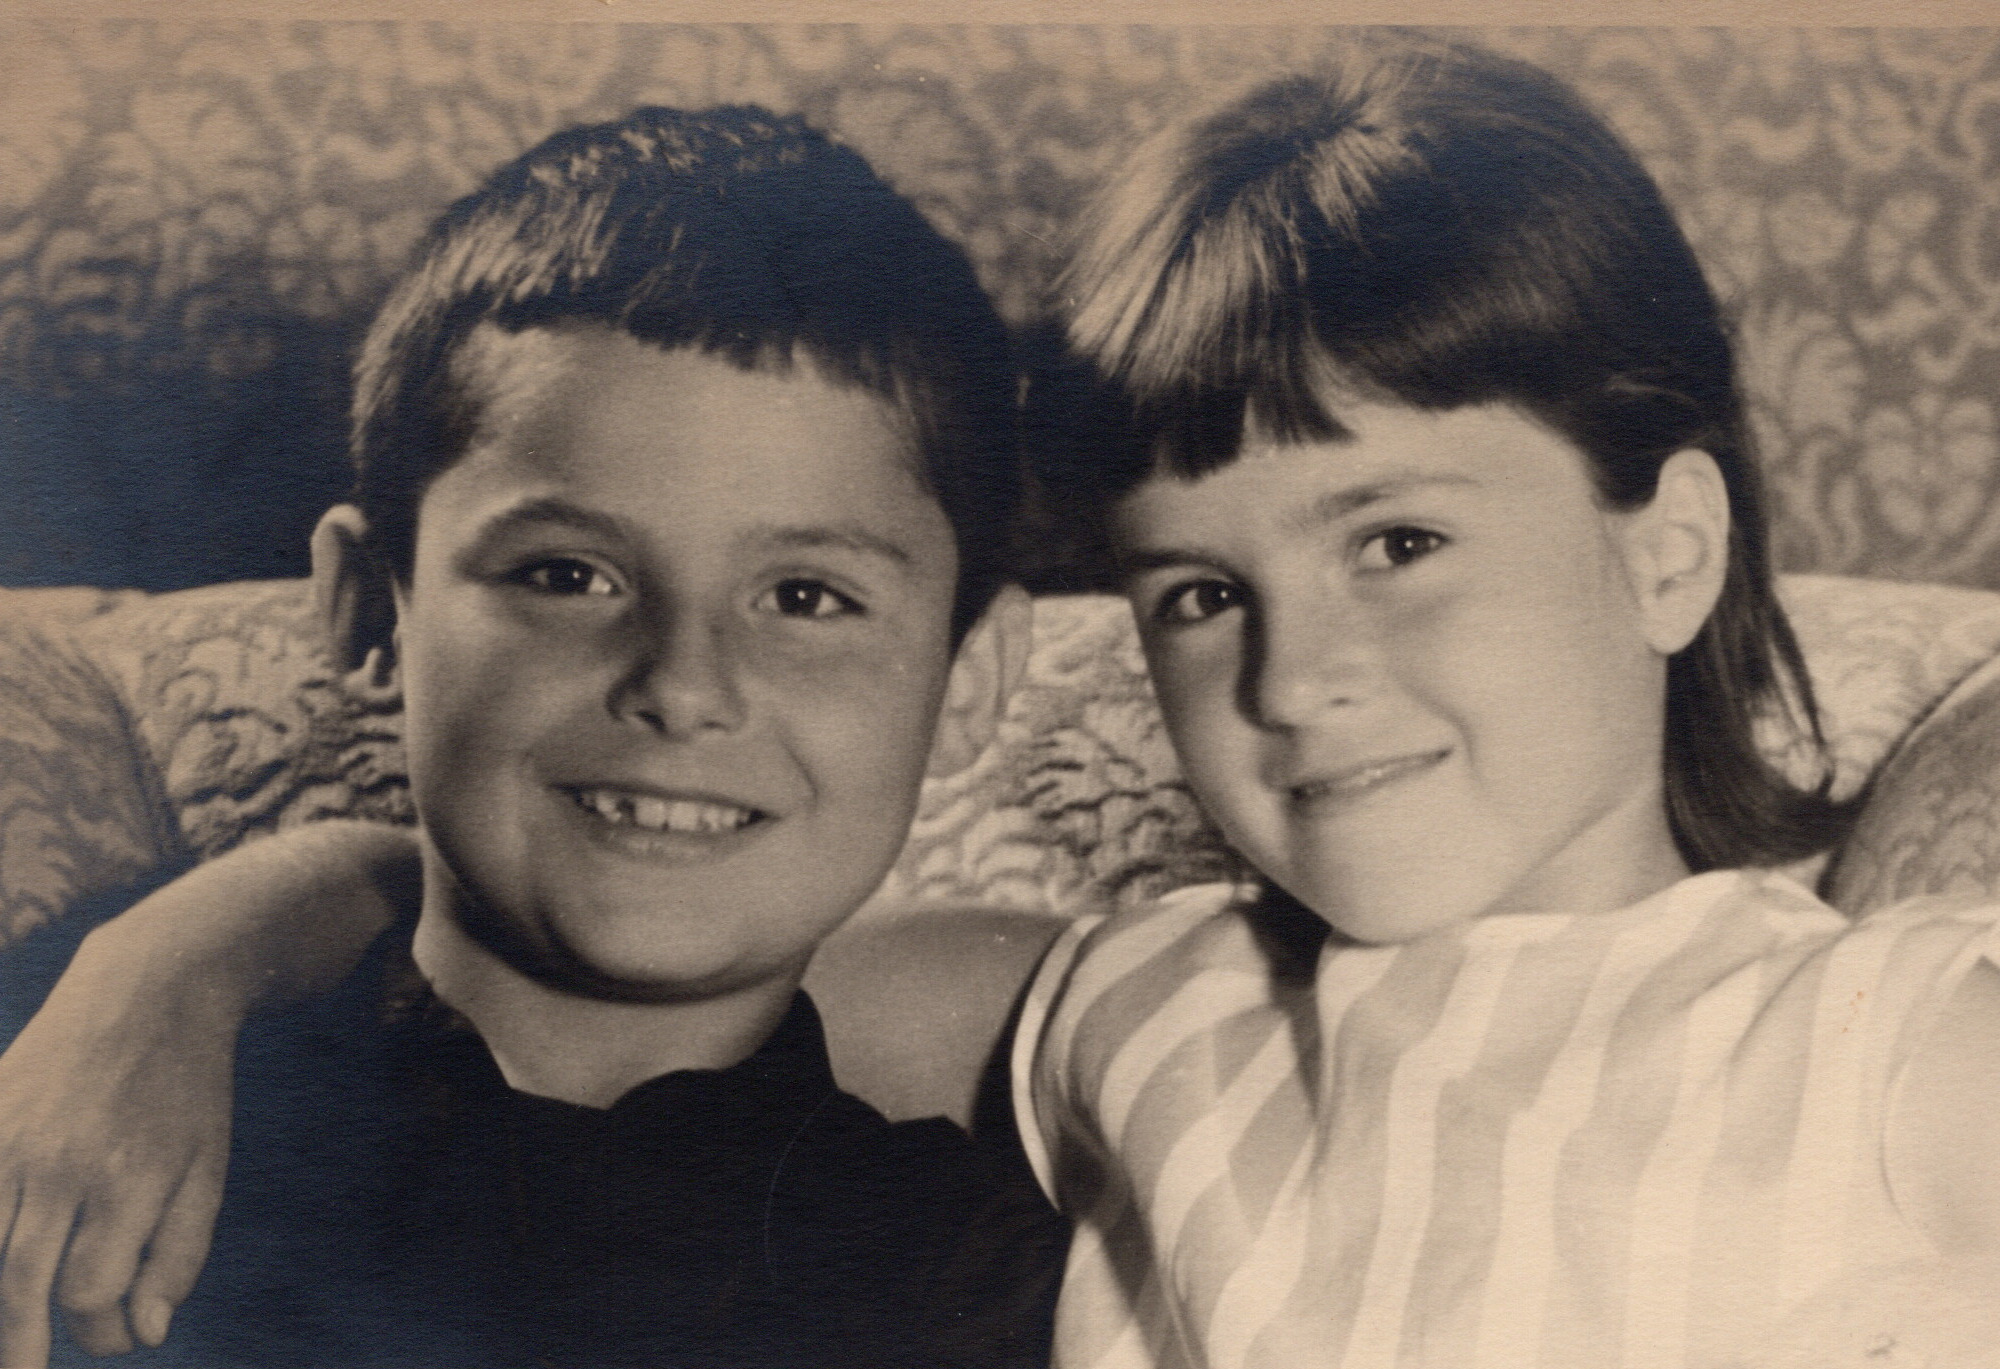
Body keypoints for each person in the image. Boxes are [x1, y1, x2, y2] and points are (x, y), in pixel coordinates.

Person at [0, 103, 1068, 1368]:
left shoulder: (976, 1275)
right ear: (367, 609)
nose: (682, 686)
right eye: (567, 575)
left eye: (804, 598)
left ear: (969, 677)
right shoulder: (94, 1108)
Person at [1011, 34, 2000, 1368]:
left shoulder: (1887, 1044)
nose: (1290, 680)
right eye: (1202, 594)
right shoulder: (1144, 999)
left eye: (1397, 544)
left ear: (1668, 555)